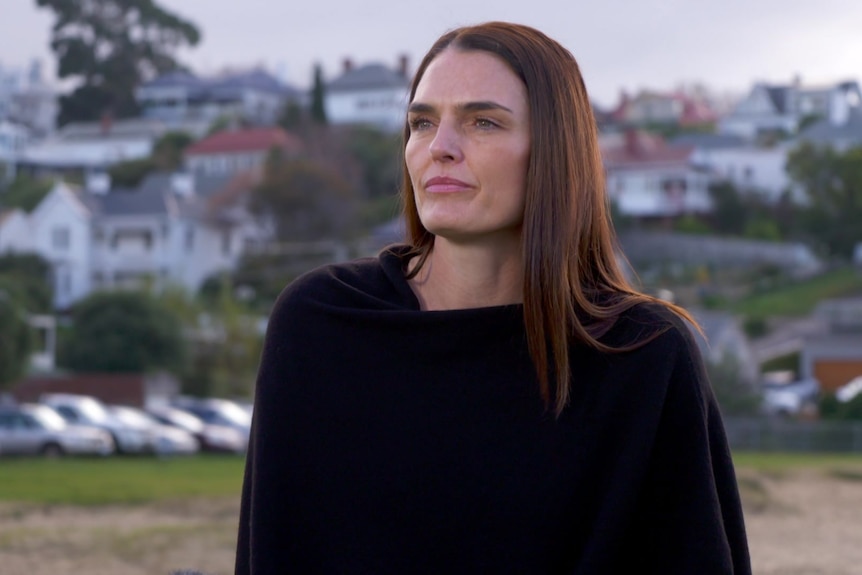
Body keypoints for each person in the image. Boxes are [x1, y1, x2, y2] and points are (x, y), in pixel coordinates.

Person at [235, 21, 751, 575]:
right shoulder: (323, 325)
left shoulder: (642, 355)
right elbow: (274, 551)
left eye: (482, 122)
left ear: (554, 149)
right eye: (422, 122)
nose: (440, 148)